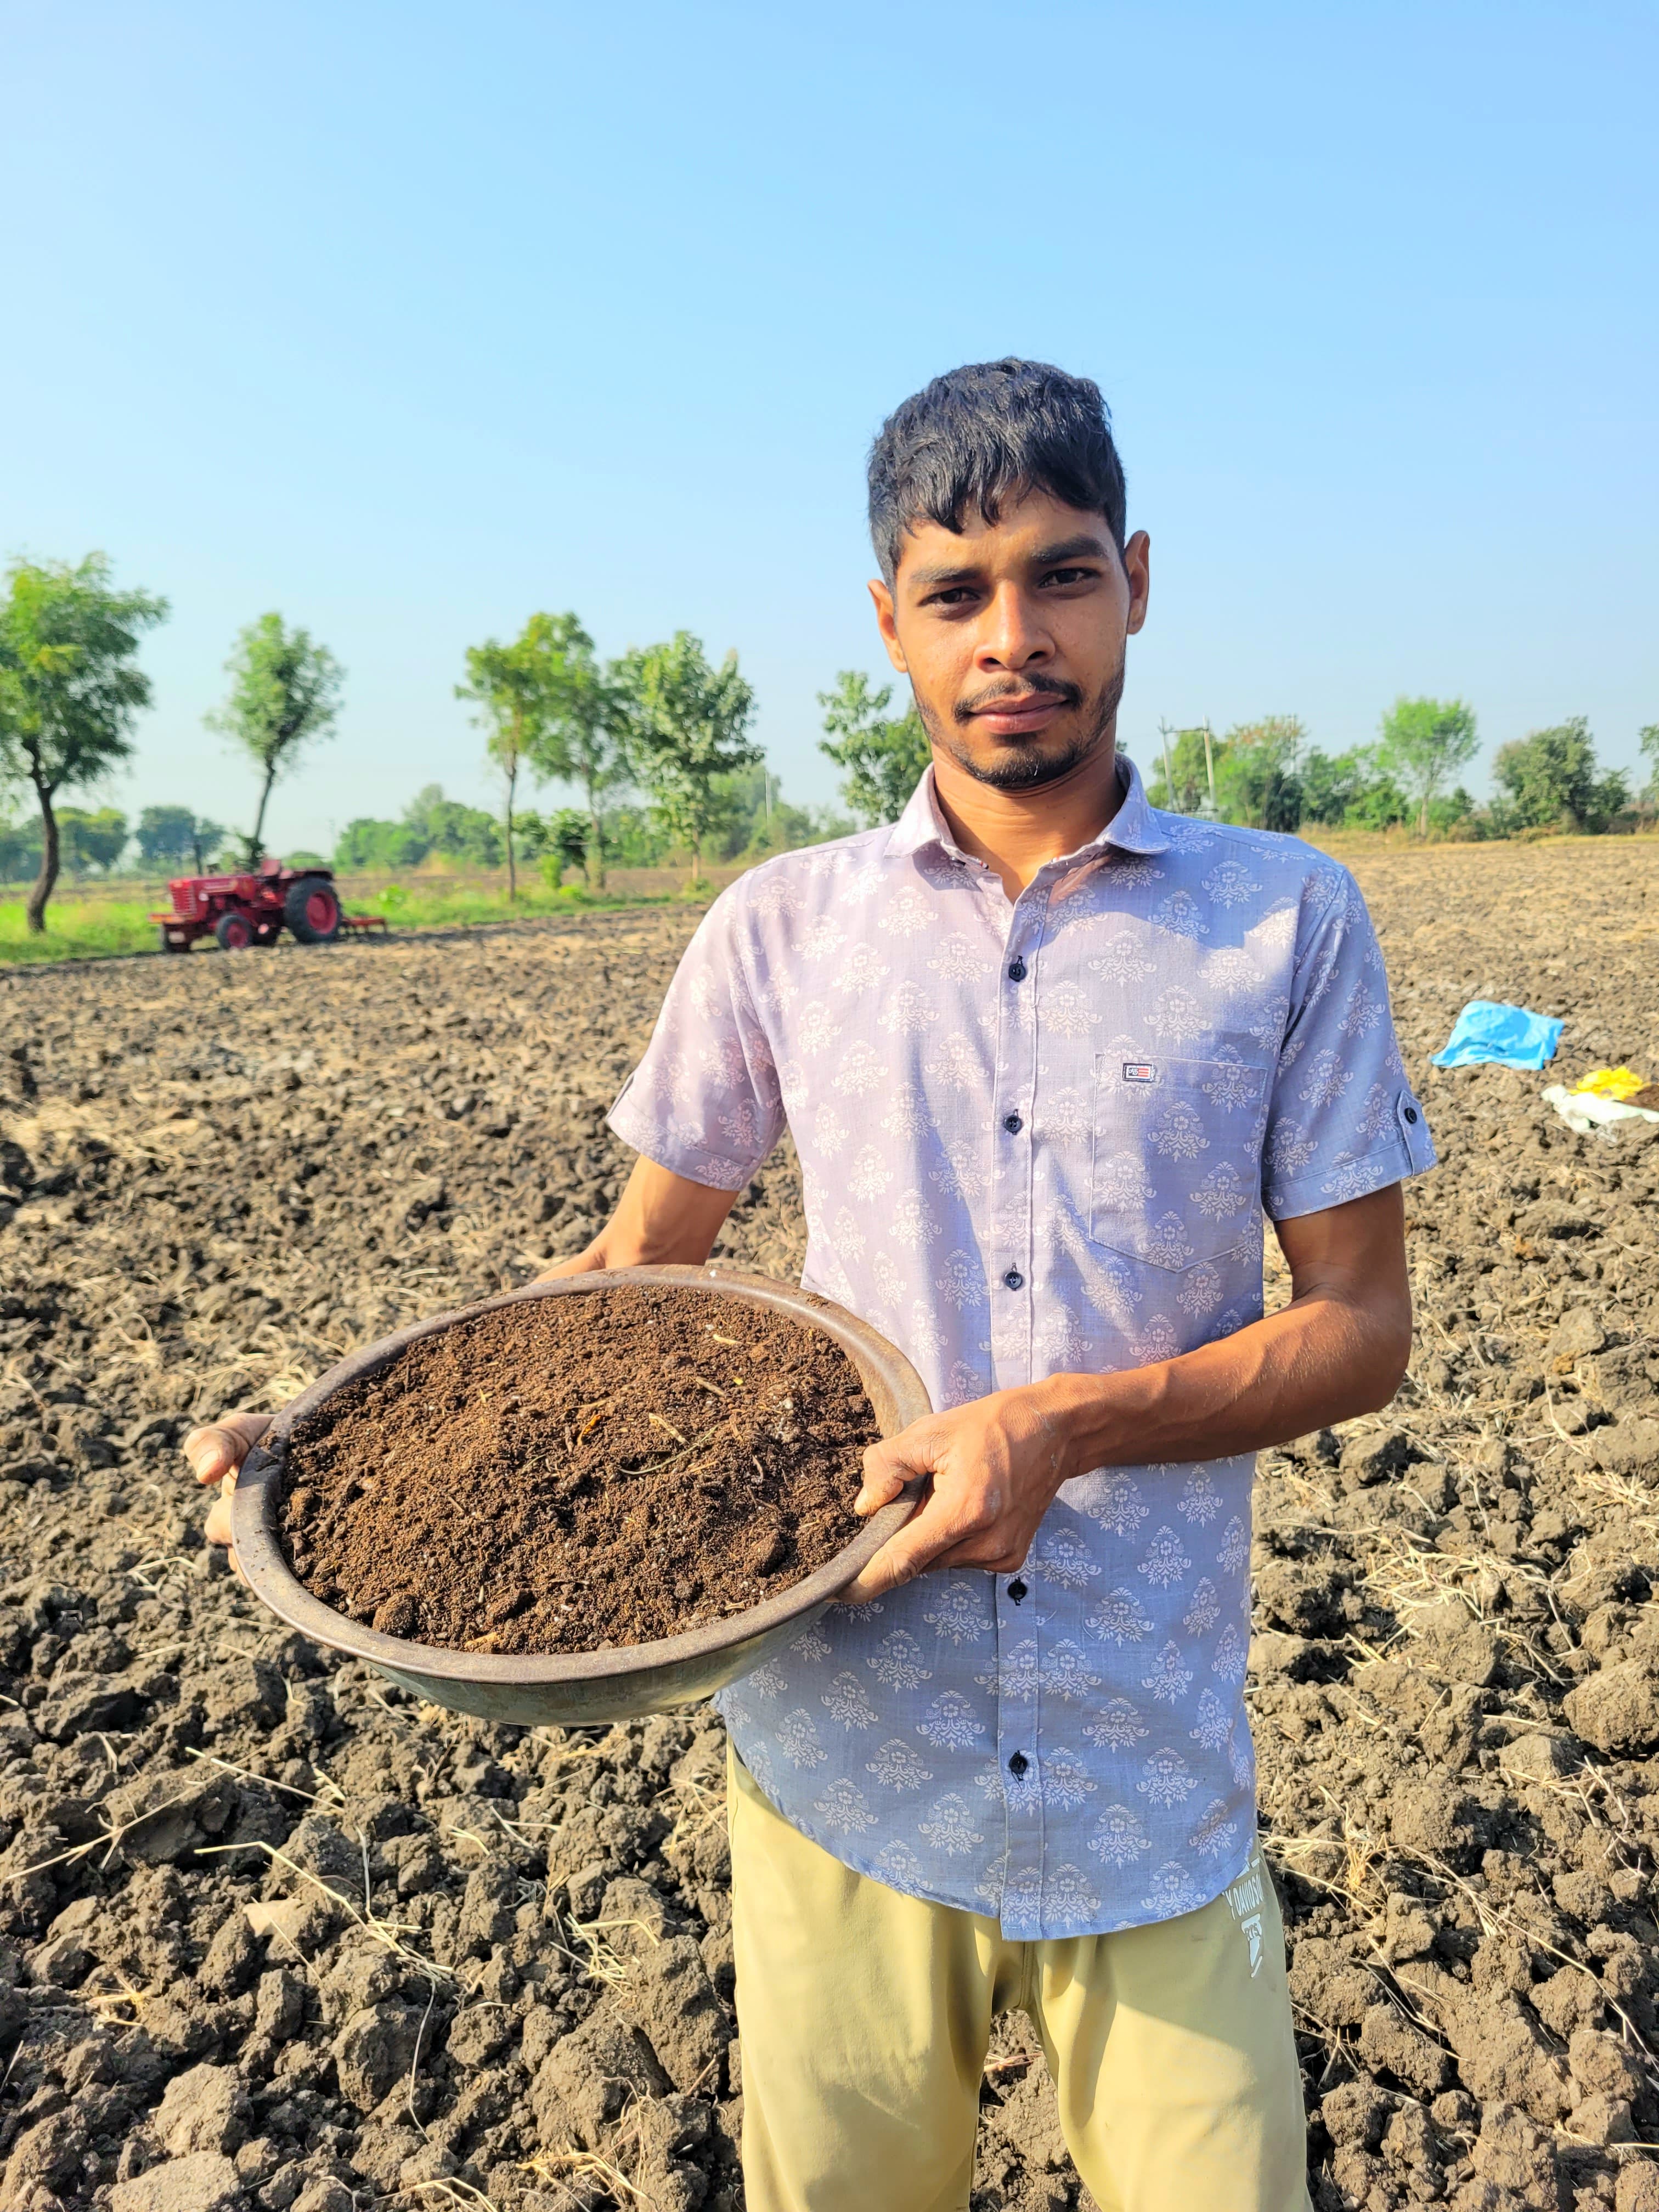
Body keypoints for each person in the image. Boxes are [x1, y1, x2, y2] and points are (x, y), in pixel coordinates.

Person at [188, 359, 1435, 2212]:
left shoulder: (1284, 918)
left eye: (1061, 576)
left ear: (1137, 581)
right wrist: (339, 1442)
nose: (1013, 637)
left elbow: (1361, 1325)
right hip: (849, 1756)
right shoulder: (782, 925)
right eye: (957, 593)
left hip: (1146, 1770)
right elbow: (624, 1286)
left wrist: (1072, 1423)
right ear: (889, 624)